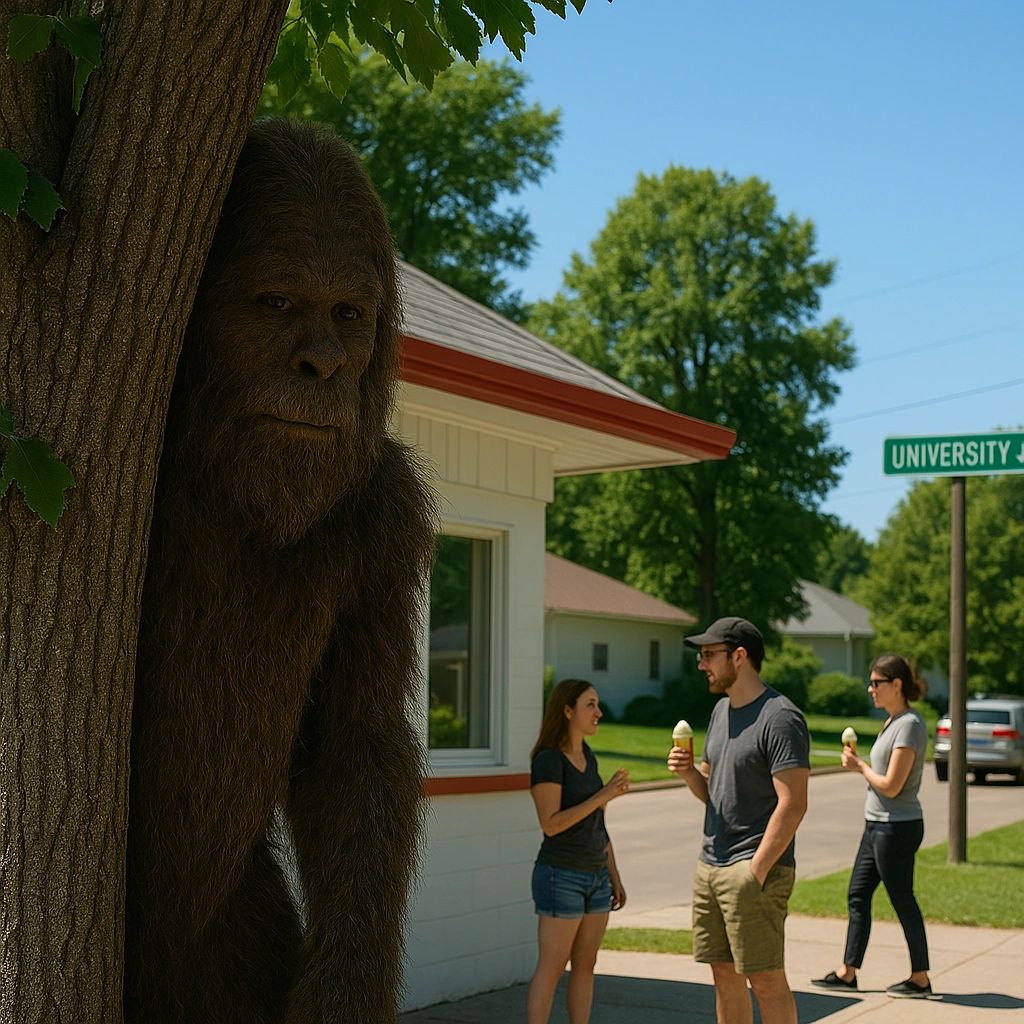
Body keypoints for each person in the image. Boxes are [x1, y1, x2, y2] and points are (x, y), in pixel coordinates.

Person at [668, 617, 810, 1024]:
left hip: (753, 869)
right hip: (710, 864)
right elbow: (714, 792)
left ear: (739, 656)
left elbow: (794, 804)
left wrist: (755, 871)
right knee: (723, 975)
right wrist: (689, 774)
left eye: (709, 655)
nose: (701, 665)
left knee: (765, 980)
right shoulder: (720, 711)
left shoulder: (780, 717)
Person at [811, 653, 933, 998]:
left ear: (897, 684)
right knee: (858, 894)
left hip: (896, 827)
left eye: (877, 683)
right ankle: (847, 972)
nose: (870, 689)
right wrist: (862, 766)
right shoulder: (893, 722)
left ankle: (920, 978)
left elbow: (892, 786)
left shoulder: (909, 725)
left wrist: (860, 768)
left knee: (902, 899)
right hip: (876, 824)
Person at [526, 678, 630, 1024]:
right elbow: (551, 824)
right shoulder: (549, 760)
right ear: (568, 711)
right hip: (561, 875)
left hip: (597, 877)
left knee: (586, 965)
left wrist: (614, 875)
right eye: (590, 705)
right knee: (553, 966)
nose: (598, 712)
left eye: (597, 704)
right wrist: (604, 794)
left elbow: (597, 825)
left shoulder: (588, 756)